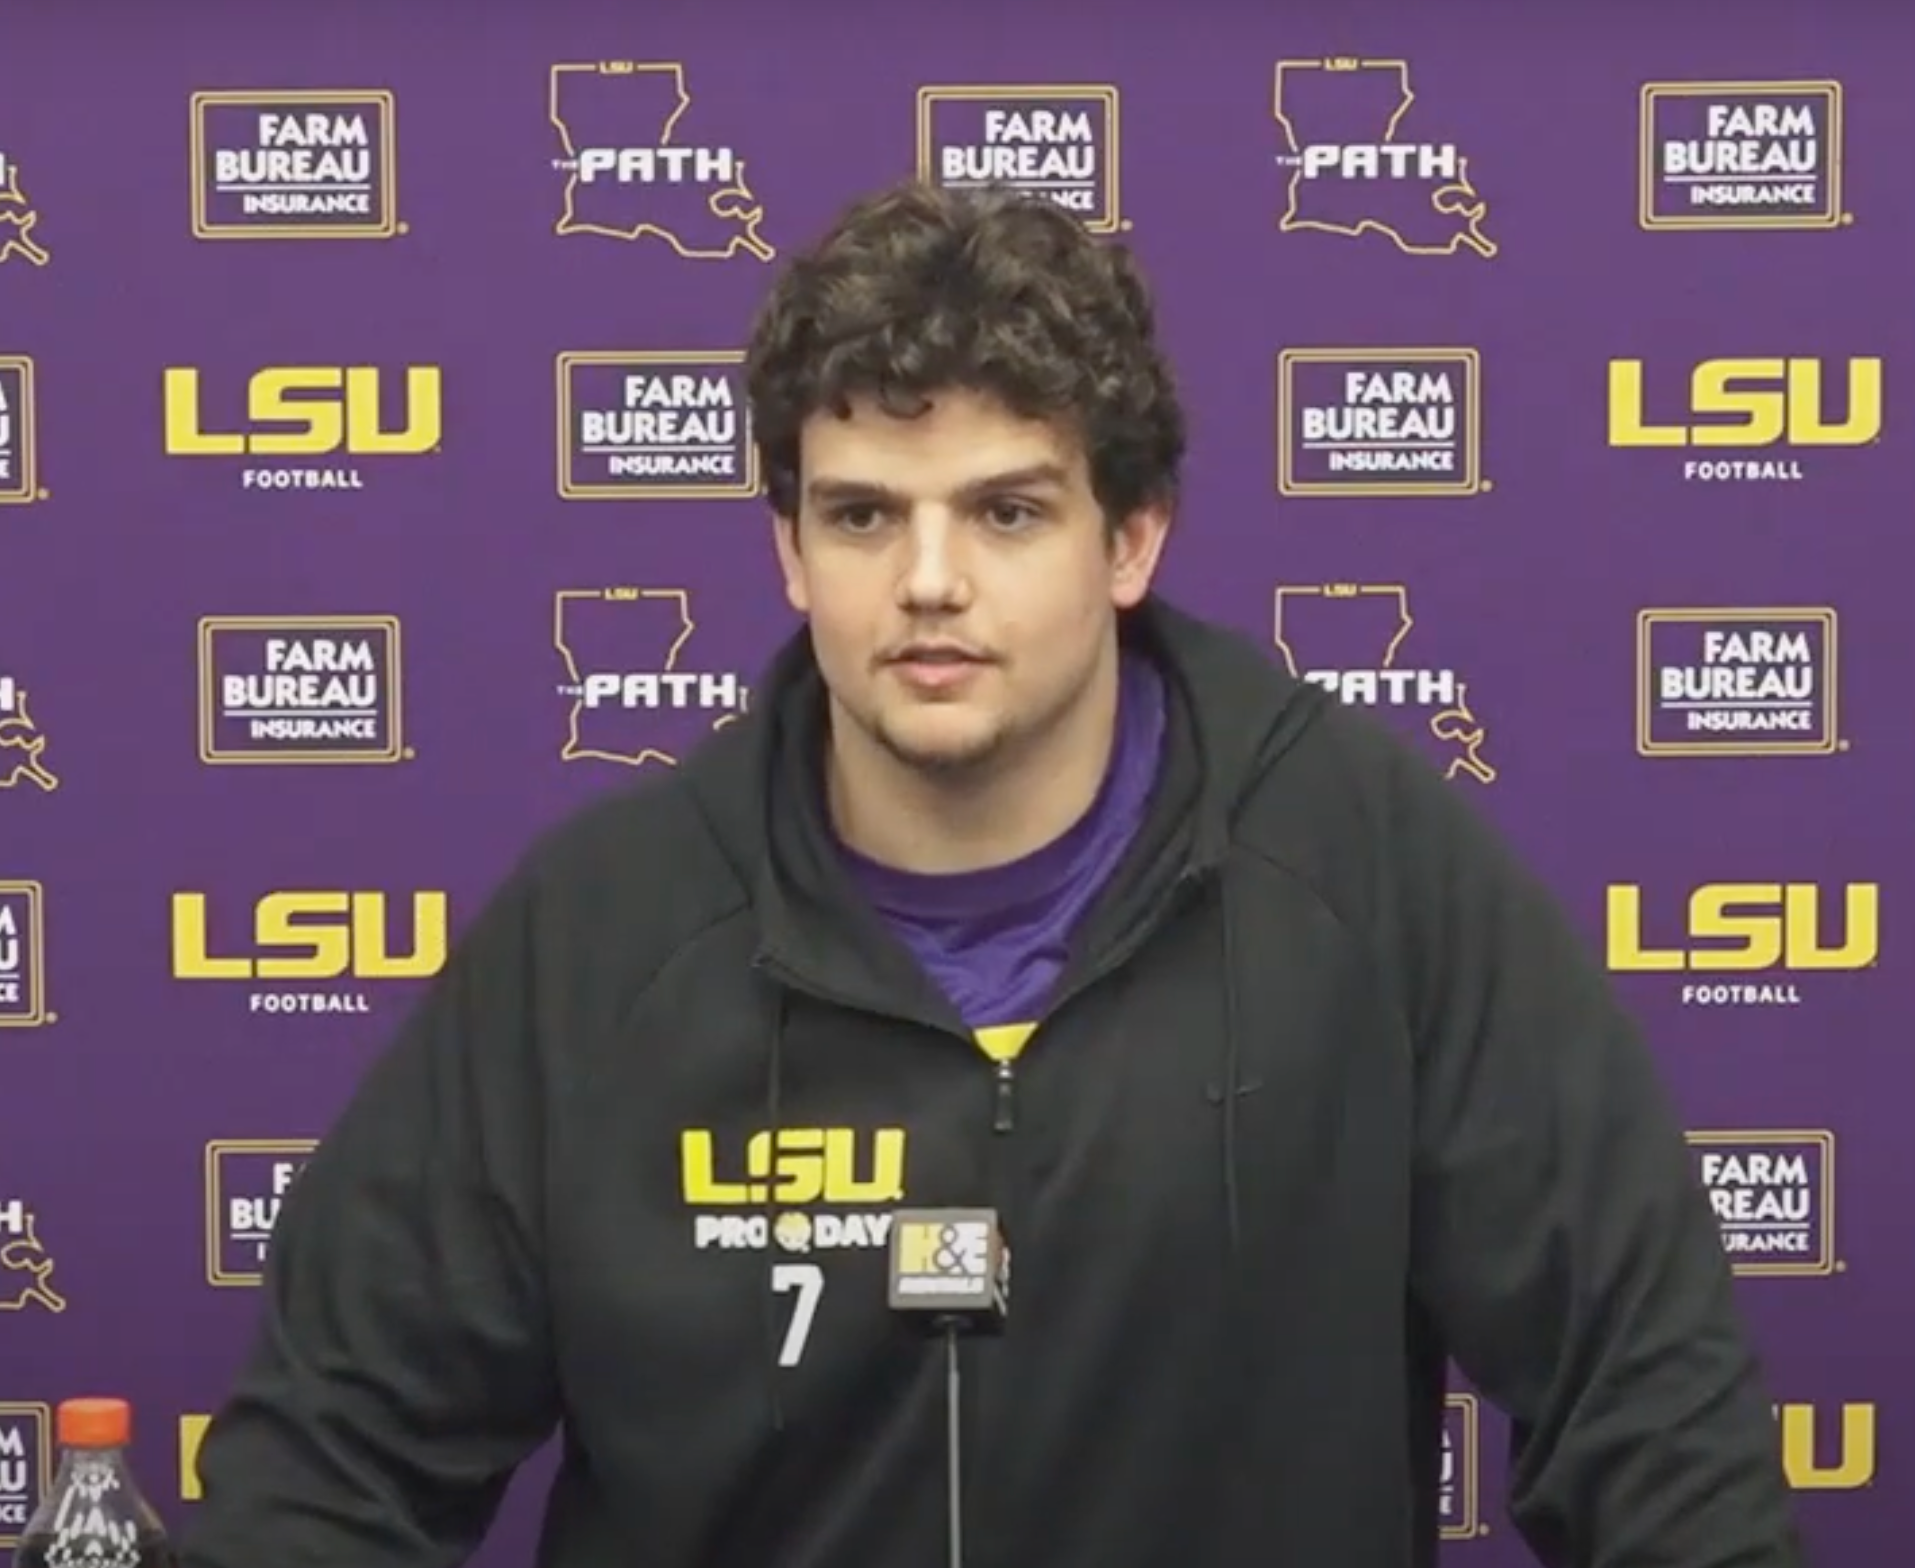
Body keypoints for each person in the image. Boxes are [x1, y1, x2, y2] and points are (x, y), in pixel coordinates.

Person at [176, 180, 1806, 1568]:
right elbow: (331, 1466)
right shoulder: (602, 936)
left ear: (1130, 540)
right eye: (864, 515)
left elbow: (1655, 1419)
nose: (930, 582)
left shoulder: (1364, 872)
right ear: (788, 550)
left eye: (1007, 511)